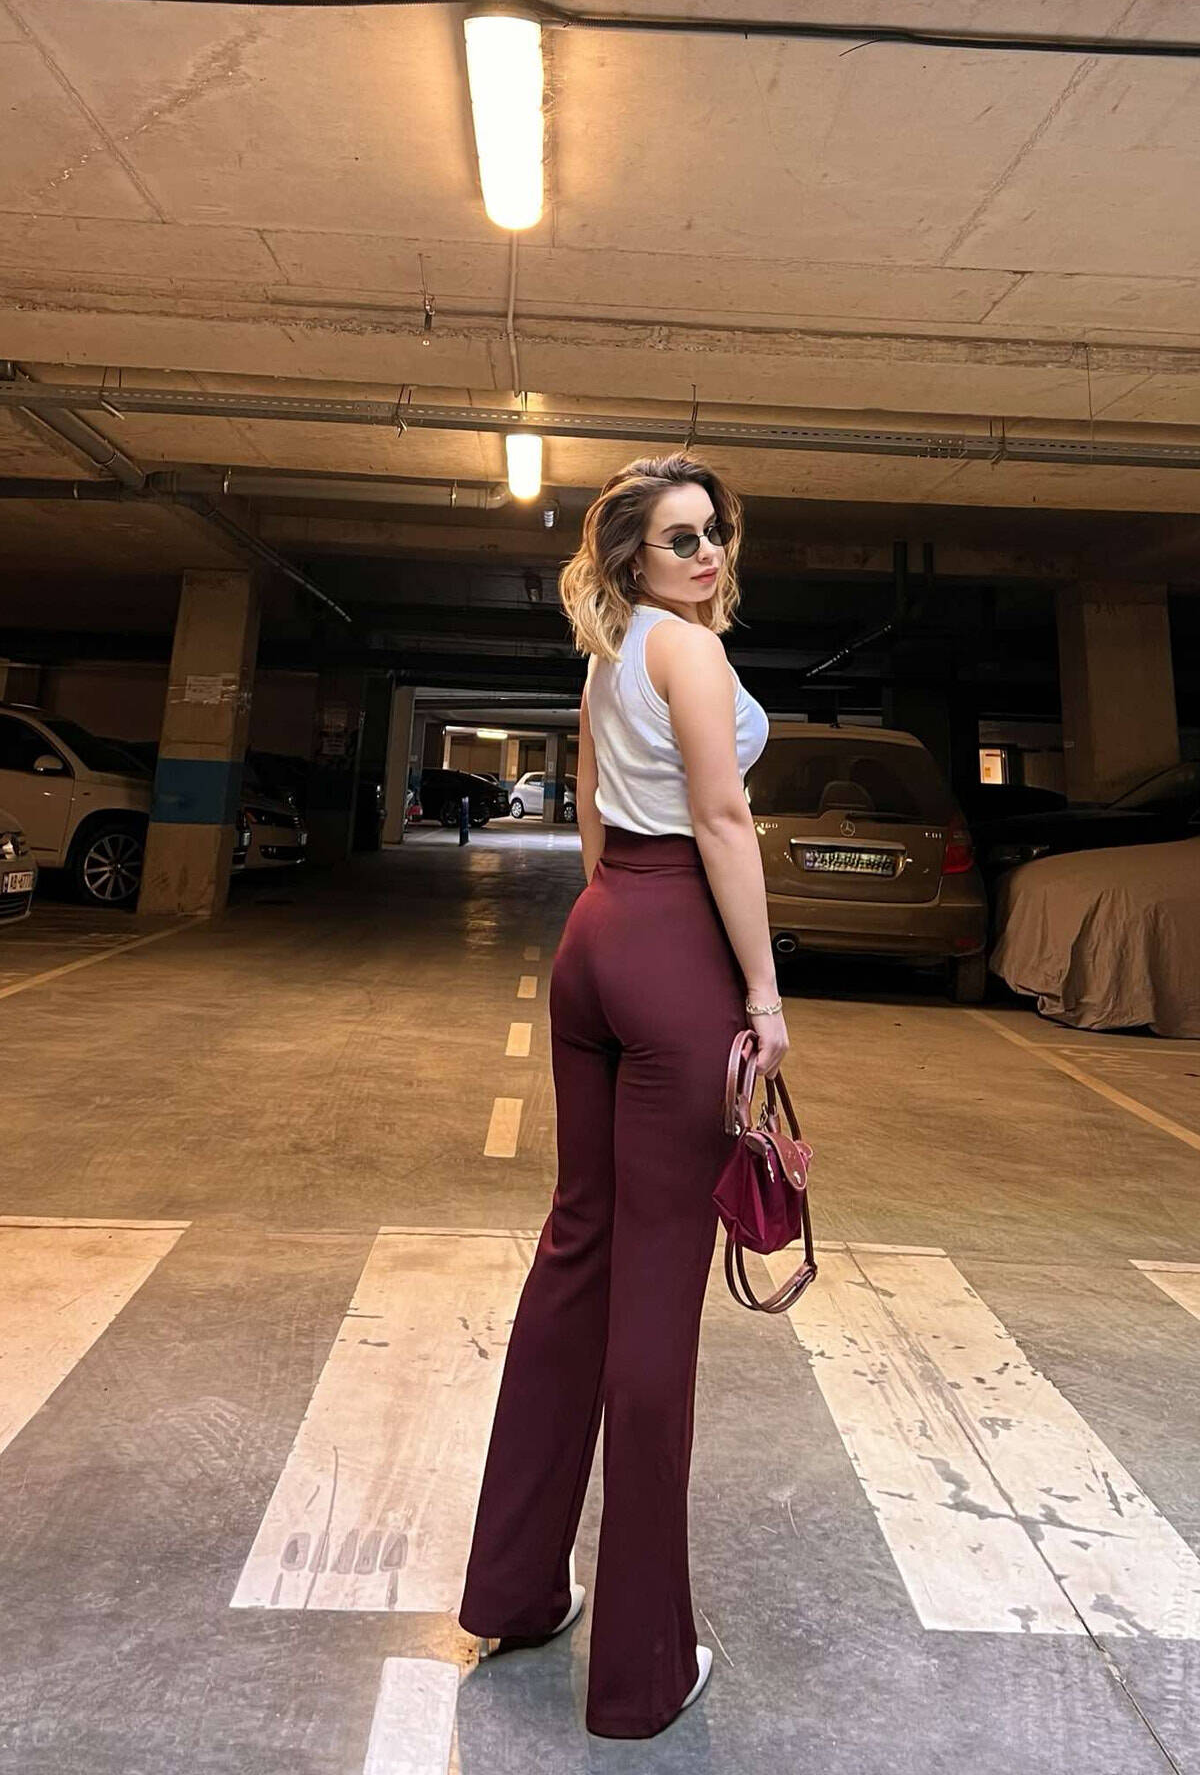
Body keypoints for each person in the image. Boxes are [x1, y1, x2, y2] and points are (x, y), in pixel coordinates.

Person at [456, 452, 789, 1738]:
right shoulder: (689, 655)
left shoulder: (608, 658)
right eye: (679, 539)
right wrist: (760, 995)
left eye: (714, 533)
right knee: (654, 1297)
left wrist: (614, 924)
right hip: (670, 948)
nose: (707, 555)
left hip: (597, 938)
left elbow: (598, 822)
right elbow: (724, 821)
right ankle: (643, 1671)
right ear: (633, 559)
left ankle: (519, 1589)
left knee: (575, 1254)